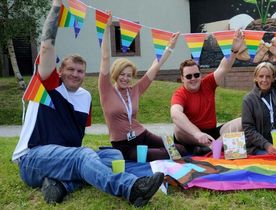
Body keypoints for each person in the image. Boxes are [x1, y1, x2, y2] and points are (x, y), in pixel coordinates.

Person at [12, 1, 164, 207]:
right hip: (33, 159)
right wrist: (56, 6)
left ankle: (62, 186)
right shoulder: (50, 85)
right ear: (59, 72)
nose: (75, 74)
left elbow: (74, 141)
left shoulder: (85, 98)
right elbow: (46, 46)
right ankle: (131, 188)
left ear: (85, 74)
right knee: (84, 156)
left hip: (64, 159)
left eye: (80, 71)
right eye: (70, 70)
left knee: (112, 154)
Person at [98, 12, 186, 161]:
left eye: (129, 75)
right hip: (125, 146)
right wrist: (106, 29)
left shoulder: (135, 90)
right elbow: (105, 57)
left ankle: (196, 148)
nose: (125, 78)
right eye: (122, 74)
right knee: (164, 154)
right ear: (115, 74)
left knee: (179, 149)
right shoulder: (106, 90)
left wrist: (169, 47)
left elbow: (155, 67)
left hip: (142, 134)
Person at [170, 30, 244, 155]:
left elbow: (224, 67)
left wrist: (234, 50)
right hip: (192, 135)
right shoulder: (180, 93)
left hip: (212, 133)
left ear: (200, 75)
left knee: (243, 121)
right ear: (182, 78)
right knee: (178, 129)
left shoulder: (208, 83)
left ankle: (212, 147)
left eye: (196, 75)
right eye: (188, 76)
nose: (193, 79)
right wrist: (197, 133)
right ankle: (215, 146)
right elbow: (175, 114)